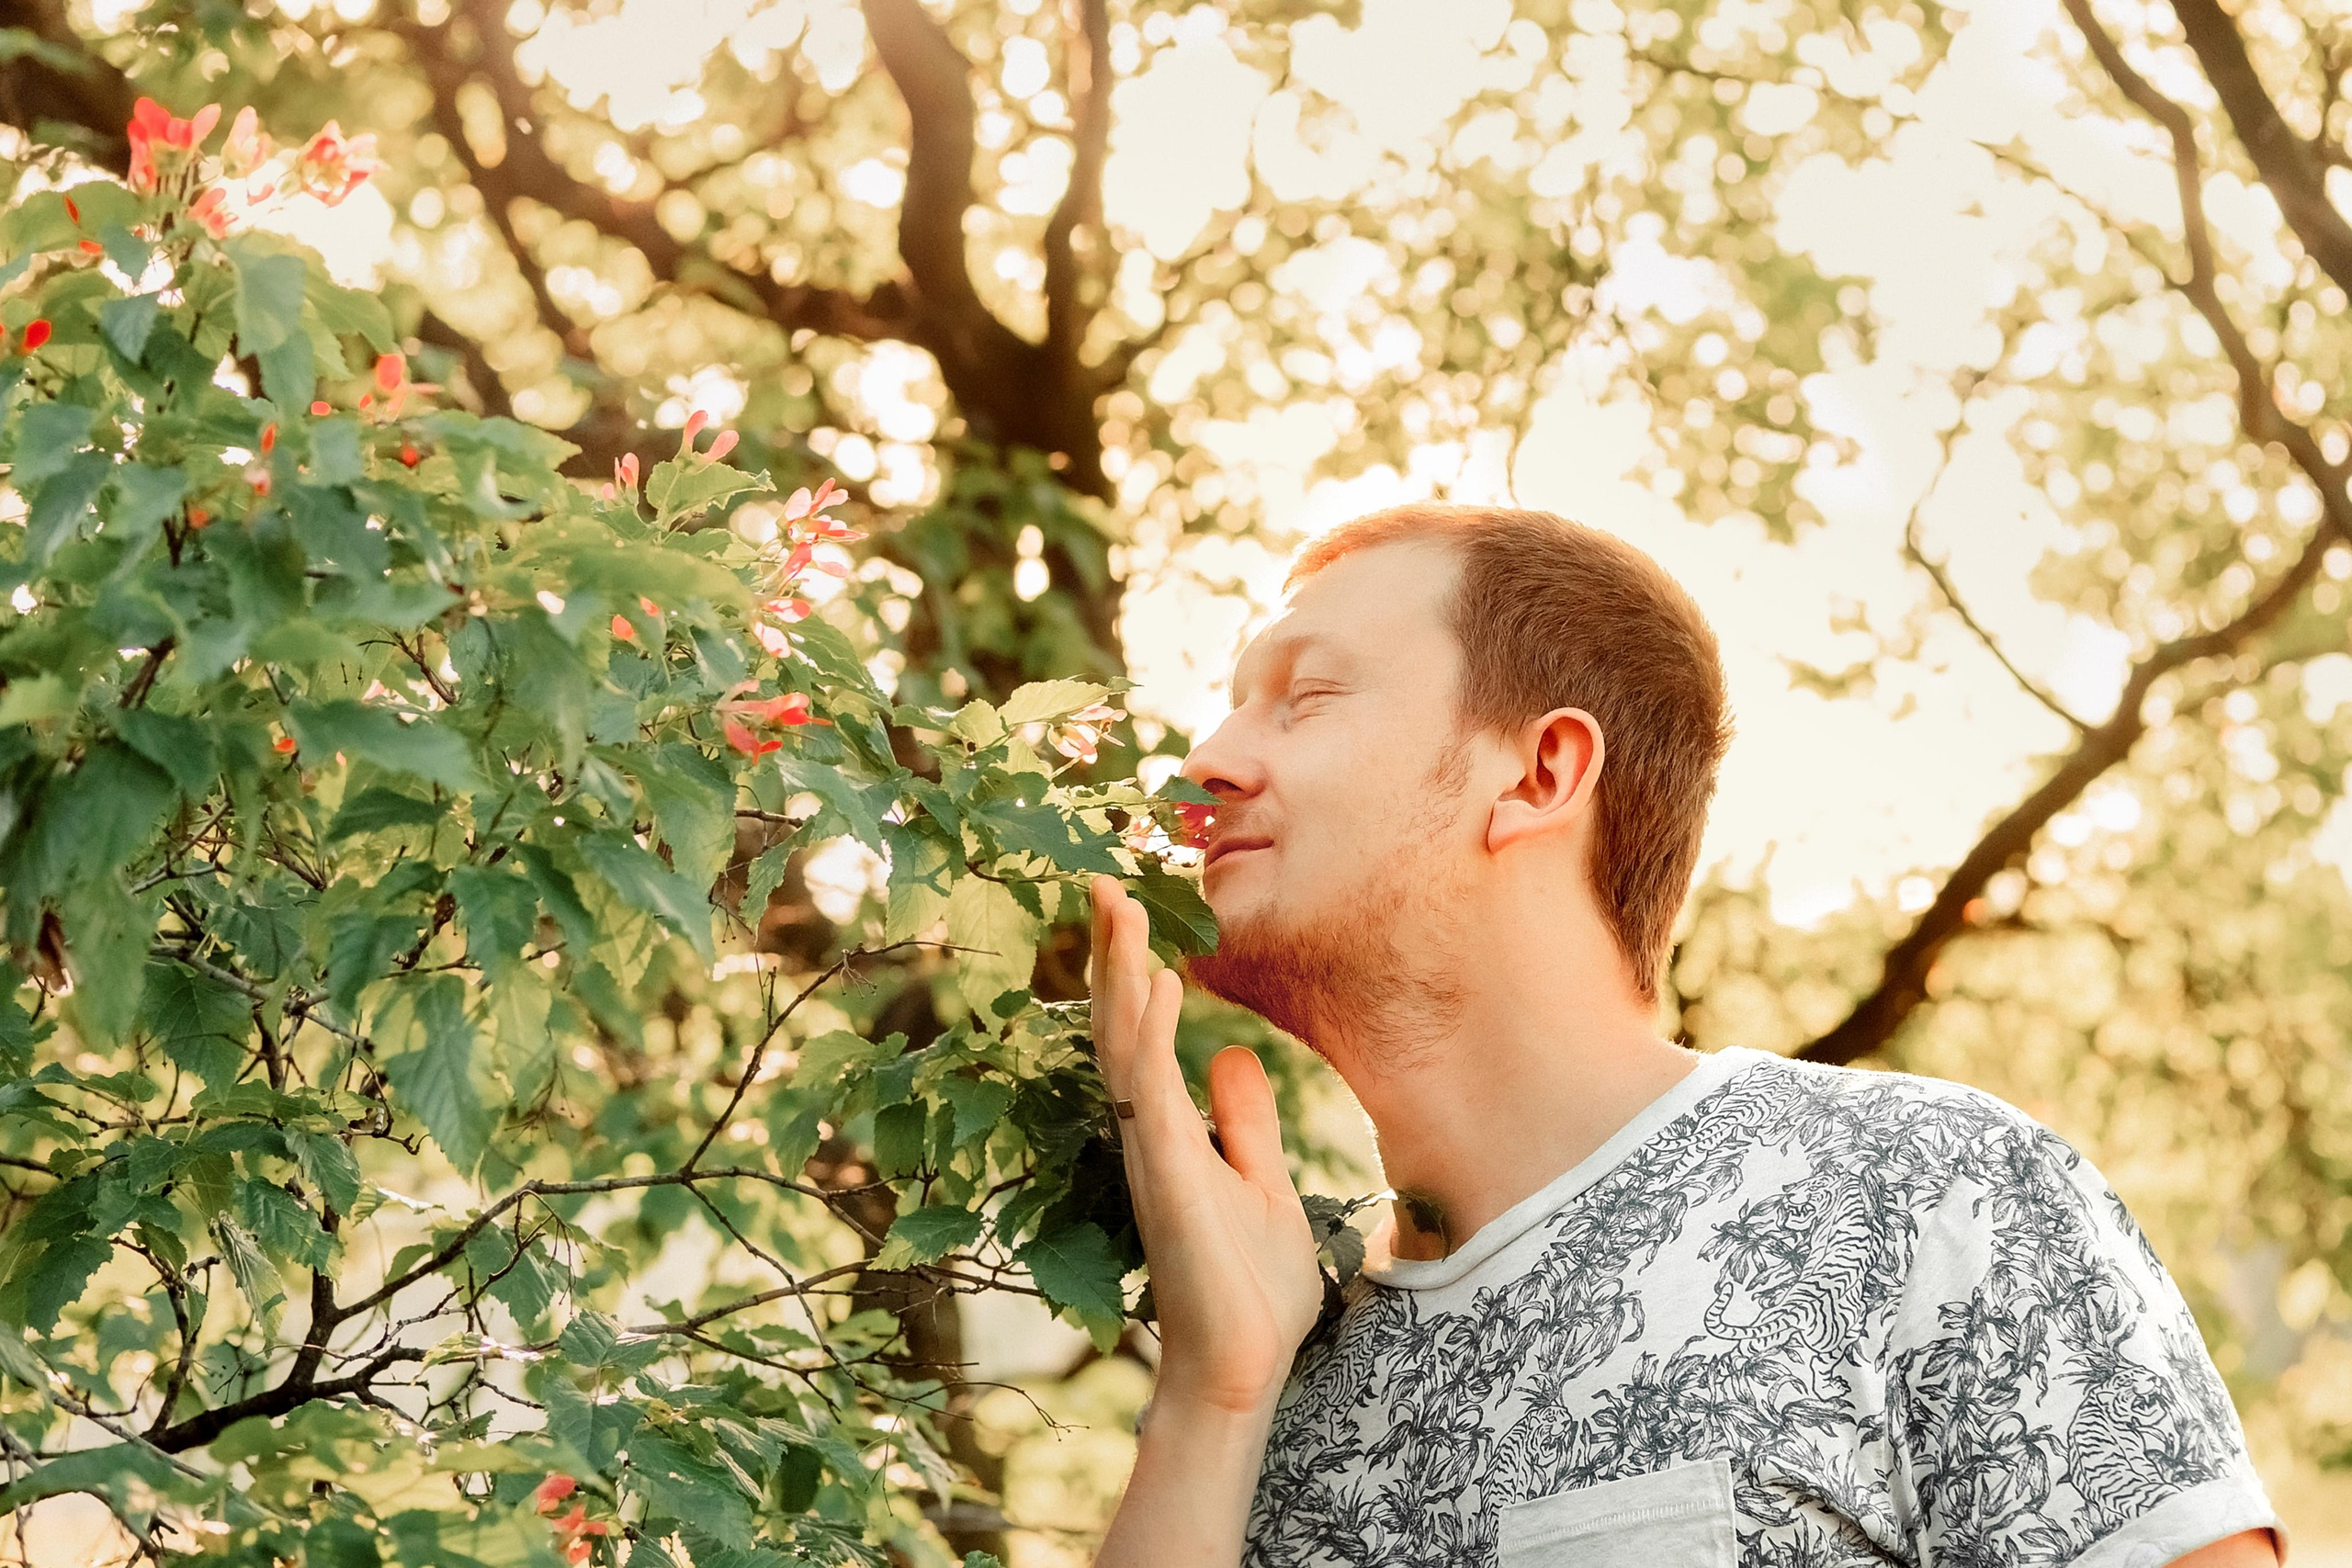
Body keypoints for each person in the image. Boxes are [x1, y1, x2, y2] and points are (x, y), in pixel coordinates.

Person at [1082, 504, 2286, 1568]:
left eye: (1307, 696)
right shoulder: (1264, 1350)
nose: (1207, 763)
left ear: (1541, 772)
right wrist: (1209, 1397)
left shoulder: (1924, 1196)